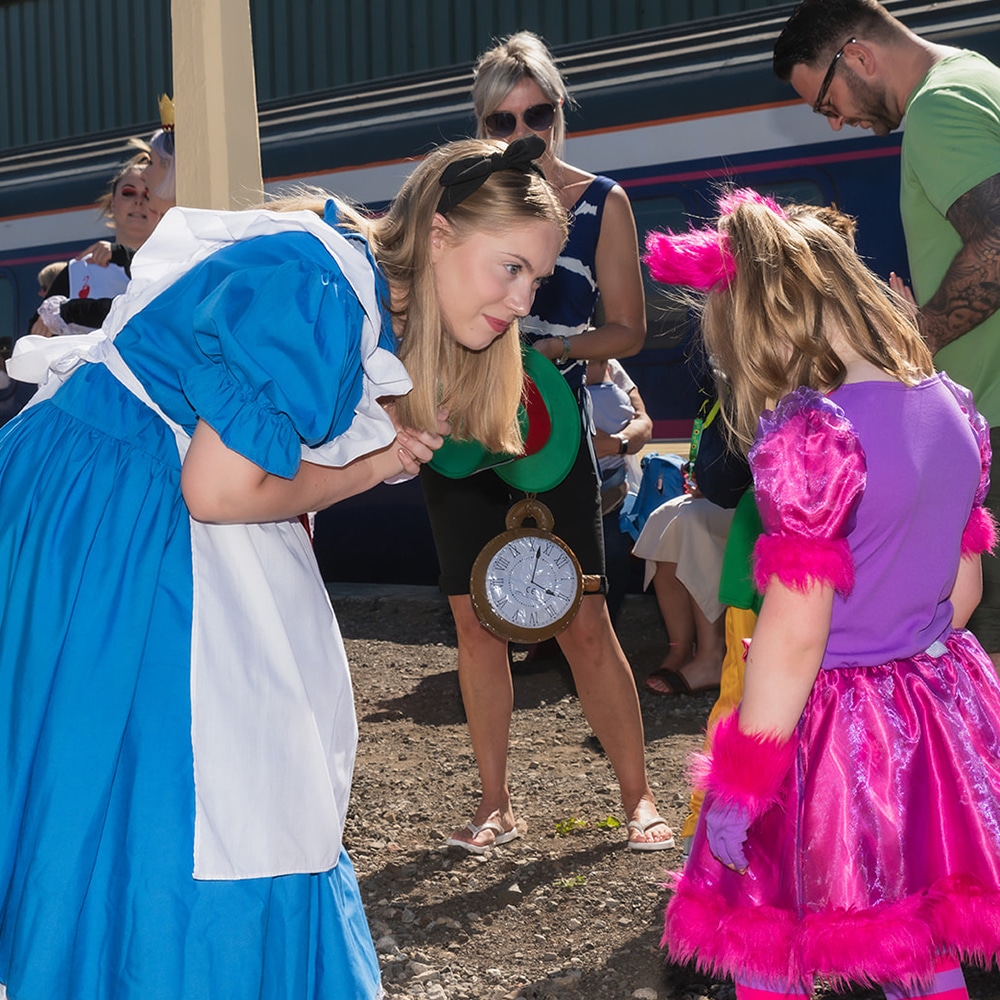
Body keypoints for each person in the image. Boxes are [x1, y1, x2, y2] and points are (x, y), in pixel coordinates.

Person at [0, 135, 565, 1000]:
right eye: (511, 268)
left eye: (536, 280)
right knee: (181, 775)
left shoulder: (344, 283)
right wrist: (372, 467)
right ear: (442, 234)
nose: (520, 301)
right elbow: (220, 489)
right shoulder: (320, 288)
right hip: (115, 512)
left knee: (137, 776)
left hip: (110, 500)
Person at [648, 189, 1000, 997]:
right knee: (916, 926)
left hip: (826, 725)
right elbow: (965, 582)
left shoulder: (817, 434)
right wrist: (905, 632)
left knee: (771, 930)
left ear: (761, 320)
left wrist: (743, 780)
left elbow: (798, 629)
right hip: (932, 704)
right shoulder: (952, 408)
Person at [420, 31, 674, 854]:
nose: (524, 131)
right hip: (463, 424)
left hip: (549, 423)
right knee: (473, 622)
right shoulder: (459, 200)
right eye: (502, 118)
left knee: (584, 619)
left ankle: (638, 798)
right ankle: (495, 803)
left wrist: (550, 351)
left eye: (540, 112)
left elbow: (630, 330)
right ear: (480, 122)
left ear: (561, 110)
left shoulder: (602, 199)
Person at [772, 0, 1000, 622]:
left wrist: (910, 335)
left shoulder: (939, 107)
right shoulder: (977, 74)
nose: (836, 122)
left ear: (858, 57)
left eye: (826, 103)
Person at [30, 145, 164, 336]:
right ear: (113, 203)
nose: (138, 201)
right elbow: (34, 337)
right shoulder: (76, 271)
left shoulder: (172, 267)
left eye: (148, 194)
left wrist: (69, 312)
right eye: (128, 192)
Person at [587, 357, 652, 624]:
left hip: (607, 489)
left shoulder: (605, 357)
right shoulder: (540, 349)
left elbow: (644, 422)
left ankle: (604, 631)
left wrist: (615, 444)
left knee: (611, 553)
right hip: (553, 483)